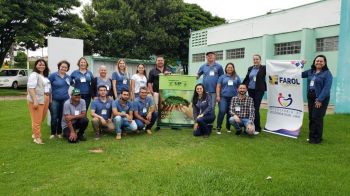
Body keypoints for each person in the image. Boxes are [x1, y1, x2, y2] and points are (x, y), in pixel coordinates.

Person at [302, 55, 332, 144]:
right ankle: (311, 137)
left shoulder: (327, 73)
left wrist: (319, 100)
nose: (318, 62)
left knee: (317, 117)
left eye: (321, 61)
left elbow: (327, 88)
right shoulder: (311, 71)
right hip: (311, 97)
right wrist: (301, 64)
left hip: (321, 98)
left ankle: (317, 138)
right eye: (317, 61)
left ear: (324, 63)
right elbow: (299, 74)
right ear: (314, 62)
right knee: (311, 117)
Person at [27, 59, 50, 144]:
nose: (41, 66)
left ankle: (34, 134)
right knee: (37, 120)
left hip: (45, 98)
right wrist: (35, 101)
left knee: (41, 119)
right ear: (36, 65)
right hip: (37, 99)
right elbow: (31, 88)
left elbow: (47, 87)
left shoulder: (43, 75)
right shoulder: (34, 75)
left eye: (43, 65)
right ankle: (37, 138)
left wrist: (49, 98)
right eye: (39, 64)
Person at [242, 54, 266, 134]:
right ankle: (251, 125)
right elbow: (246, 78)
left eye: (257, 59)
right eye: (254, 59)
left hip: (259, 90)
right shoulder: (250, 68)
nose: (255, 60)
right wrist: (241, 86)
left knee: (255, 108)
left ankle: (257, 128)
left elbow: (274, 70)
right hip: (250, 90)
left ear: (260, 60)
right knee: (251, 108)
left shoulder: (264, 68)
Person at [215, 63, 241, 134]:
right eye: (228, 67)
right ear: (226, 68)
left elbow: (240, 87)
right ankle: (218, 127)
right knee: (222, 111)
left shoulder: (236, 77)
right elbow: (218, 86)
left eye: (231, 67)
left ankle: (228, 127)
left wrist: (239, 97)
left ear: (233, 68)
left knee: (230, 113)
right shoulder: (222, 77)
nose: (229, 69)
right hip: (223, 97)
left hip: (233, 98)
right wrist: (218, 96)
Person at [49, 60, 71, 139]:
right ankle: (52, 133)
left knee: (62, 116)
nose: (64, 68)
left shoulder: (68, 77)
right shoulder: (53, 76)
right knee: (54, 116)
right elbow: (48, 87)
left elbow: (74, 84)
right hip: (54, 99)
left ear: (67, 68)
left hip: (65, 100)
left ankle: (59, 132)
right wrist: (49, 98)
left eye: (65, 67)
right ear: (59, 67)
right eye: (62, 67)